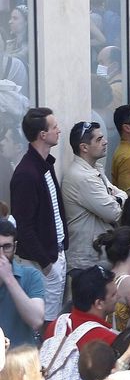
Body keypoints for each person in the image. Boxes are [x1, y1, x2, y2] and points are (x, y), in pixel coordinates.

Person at [10, 109, 66, 321]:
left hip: (55, 254)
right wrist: (47, 265)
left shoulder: (44, 165)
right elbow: (23, 227)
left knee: (53, 321)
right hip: (42, 262)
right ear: (42, 134)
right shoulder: (26, 174)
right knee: (44, 324)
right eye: (54, 127)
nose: (58, 130)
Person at [61, 122, 125, 271]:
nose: (105, 141)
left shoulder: (95, 169)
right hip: (86, 261)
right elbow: (114, 213)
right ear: (84, 147)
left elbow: (120, 194)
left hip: (96, 256)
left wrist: (118, 198)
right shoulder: (83, 177)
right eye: (99, 139)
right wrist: (119, 198)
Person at [0, 220, 44, 347]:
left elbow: (36, 321)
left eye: (7, 247)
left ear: (15, 247)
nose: (1, 254)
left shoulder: (31, 276)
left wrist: (9, 279)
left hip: (20, 361)